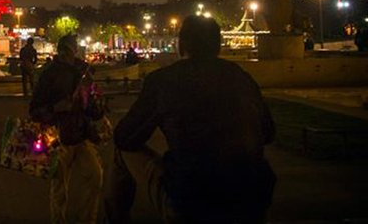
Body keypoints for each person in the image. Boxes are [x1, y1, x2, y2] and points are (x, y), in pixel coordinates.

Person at [106, 16, 276, 224]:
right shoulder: (241, 77)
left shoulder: (164, 80)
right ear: (218, 45)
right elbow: (268, 133)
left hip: (192, 197)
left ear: (181, 44)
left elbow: (125, 137)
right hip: (251, 197)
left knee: (121, 152)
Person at [30, 35, 106, 224]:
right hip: (59, 136)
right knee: (60, 189)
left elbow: (92, 103)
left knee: (95, 177)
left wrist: (95, 106)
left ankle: (86, 219)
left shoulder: (83, 73)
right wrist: (57, 108)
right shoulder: (50, 74)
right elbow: (34, 110)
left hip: (80, 134)